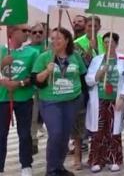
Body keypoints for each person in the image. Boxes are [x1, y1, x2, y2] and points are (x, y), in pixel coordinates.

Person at [32, 27, 87, 176]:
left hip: (72, 101)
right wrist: (47, 71)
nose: (55, 41)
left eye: (59, 38)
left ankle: (59, 167)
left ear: (67, 40)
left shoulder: (75, 56)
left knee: (64, 135)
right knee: (55, 133)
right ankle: (51, 170)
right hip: (51, 101)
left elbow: (83, 76)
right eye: (53, 38)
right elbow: (36, 80)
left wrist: (82, 97)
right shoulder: (44, 57)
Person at [85, 32, 124, 173]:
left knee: (114, 130)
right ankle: (97, 160)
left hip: (116, 100)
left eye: (111, 42)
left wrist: (123, 97)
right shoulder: (97, 60)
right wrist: (100, 73)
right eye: (105, 42)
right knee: (98, 131)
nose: (108, 45)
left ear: (116, 44)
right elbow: (89, 79)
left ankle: (114, 159)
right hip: (99, 99)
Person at [0, 24, 39, 176]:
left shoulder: (32, 52)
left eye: (29, 31)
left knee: (24, 134)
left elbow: (34, 76)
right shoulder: (2, 50)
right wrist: (3, 64)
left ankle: (26, 165)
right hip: (3, 98)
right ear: (11, 31)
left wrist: (20, 83)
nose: (28, 34)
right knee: (1, 134)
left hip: (24, 98)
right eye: (24, 31)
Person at [28, 23, 47, 155]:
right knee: (33, 118)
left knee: (52, 118)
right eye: (34, 32)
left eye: (40, 32)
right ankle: (33, 142)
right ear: (29, 34)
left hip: (50, 90)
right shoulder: (26, 50)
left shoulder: (50, 47)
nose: (38, 34)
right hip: (33, 90)